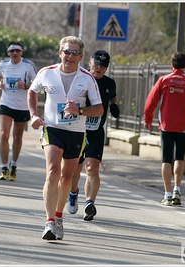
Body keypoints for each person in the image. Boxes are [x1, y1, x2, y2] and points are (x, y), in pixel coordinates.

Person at [28, 36, 103, 240]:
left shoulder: (87, 78)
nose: (70, 56)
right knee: (52, 171)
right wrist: (34, 115)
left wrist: (80, 110)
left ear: (80, 56)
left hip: (76, 132)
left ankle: (59, 216)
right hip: (52, 128)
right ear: (60, 53)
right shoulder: (46, 73)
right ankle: (49, 222)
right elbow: (32, 92)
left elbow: (99, 109)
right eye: (66, 51)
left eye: (74, 53)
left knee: (66, 177)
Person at [143, 52, 185, 206]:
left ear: (171, 65)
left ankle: (167, 194)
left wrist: (148, 119)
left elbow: (150, 102)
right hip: (183, 126)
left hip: (166, 125)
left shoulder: (163, 80)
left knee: (166, 159)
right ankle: (177, 190)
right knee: (179, 158)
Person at [66, 50, 119, 221]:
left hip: (96, 131)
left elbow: (113, 97)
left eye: (103, 65)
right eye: (96, 63)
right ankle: (73, 192)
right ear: (89, 62)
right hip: (77, 130)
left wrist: (114, 106)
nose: (98, 67)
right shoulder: (79, 79)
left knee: (92, 168)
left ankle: (90, 203)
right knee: (75, 169)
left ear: (106, 68)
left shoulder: (110, 83)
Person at [0, 41, 37, 181]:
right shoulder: (3, 64)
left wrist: (25, 85)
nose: (15, 53)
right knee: (4, 135)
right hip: (6, 103)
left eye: (17, 50)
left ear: (21, 52)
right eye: (12, 51)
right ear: (8, 53)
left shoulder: (28, 66)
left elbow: (37, 85)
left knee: (17, 137)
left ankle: (14, 165)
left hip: (22, 106)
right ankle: (4, 166)